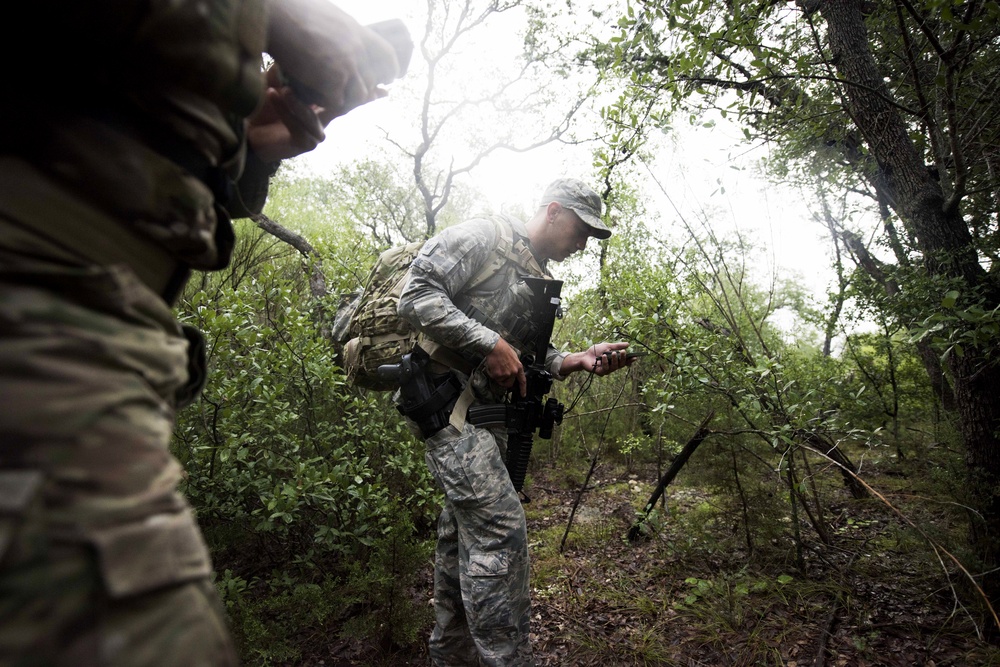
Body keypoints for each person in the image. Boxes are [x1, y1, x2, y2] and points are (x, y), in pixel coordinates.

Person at [0, 1, 410, 664]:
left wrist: (256, 140)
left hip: (109, 323)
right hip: (40, 291)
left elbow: (204, 190)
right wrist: (284, 16)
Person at [397, 177, 636, 666]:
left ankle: (451, 655)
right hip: (448, 410)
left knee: (459, 539)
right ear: (553, 211)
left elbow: (527, 353)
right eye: (580, 229)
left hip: (487, 420)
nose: (582, 243)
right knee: (501, 534)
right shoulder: (484, 236)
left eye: (591, 236)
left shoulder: (534, 276)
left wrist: (574, 359)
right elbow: (415, 295)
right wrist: (488, 342)